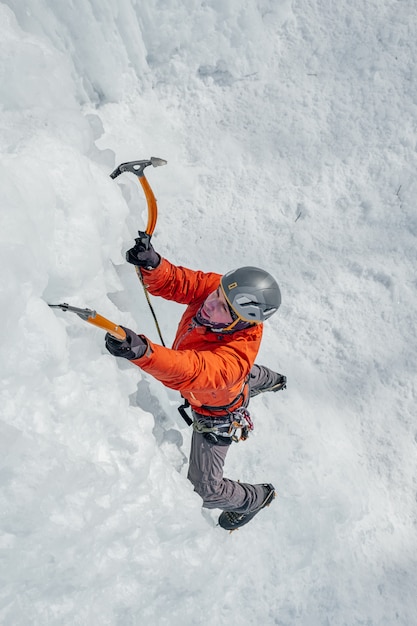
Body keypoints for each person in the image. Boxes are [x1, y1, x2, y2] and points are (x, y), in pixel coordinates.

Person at [105, 233, 286, 530]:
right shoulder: (224, 292)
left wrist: (144, 352)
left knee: (205, 489)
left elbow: (191, 370)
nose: (211, 304)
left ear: (243, 323)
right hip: (229, 381)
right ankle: (271, 380)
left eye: (224, 309)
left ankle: (254, 499)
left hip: (216, 411)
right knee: (245, 377)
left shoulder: (233, 360)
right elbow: (184, 283)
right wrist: (154, 265)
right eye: (217, 296)